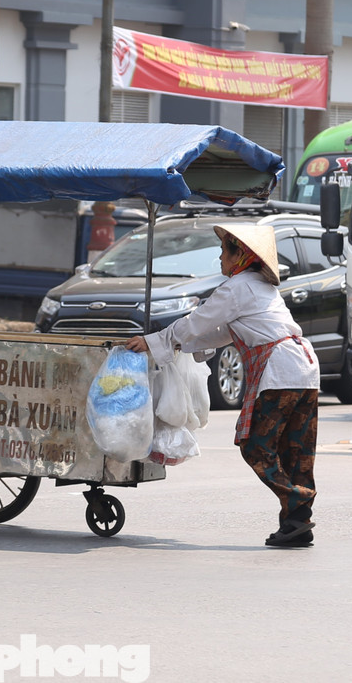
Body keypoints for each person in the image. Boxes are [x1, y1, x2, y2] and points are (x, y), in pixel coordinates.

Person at [124, 222, 321, 548]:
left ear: (240, 255)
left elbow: (196, 323)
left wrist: (153, 342)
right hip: (304, 369)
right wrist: (174, 345)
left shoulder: (238, 288)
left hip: (283, 372)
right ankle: (297, 524)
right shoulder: (259, 287)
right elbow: (218, 333)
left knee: (255, 446)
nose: (219, 258)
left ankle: (297, 500)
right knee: (295, 451)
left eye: (222, 251)